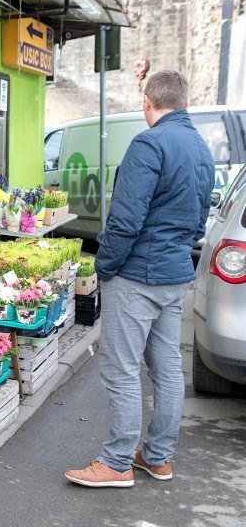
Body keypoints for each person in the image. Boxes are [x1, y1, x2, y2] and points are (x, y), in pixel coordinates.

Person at [65, 70, 215, 488]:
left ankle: (116, 463)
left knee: (121, 368)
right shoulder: (202, 149)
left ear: (148, 102)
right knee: (167, 369)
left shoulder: (149, 143)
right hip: (173, 275)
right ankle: (157, 456)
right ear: (183, 102)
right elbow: (200, 218)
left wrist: (104, 265)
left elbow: (125, 220)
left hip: (137, 275)